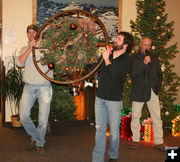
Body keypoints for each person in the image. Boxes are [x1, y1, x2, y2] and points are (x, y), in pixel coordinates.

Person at [92, 32, 134, 162]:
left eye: (119, 39)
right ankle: (97, 158)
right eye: (116, 38)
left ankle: (113, 155)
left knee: (114, 132)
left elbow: (115, 74)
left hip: (114, 101)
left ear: (126, 44)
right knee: (99, 129)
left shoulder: (127, 60)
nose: (115, 40)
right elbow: (95, 68)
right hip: (100, 98)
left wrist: (106, 59)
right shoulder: (108, 54)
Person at [15, 24, 53, 156]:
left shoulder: (47, 49)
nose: (31, 35)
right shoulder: (24, 48)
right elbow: (19, 63)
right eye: (29, 32)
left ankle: (40, 143)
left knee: (43, 119)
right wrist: (30, 48)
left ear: (38, 34)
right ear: (27, 35)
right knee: (23, 116)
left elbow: (55, 63)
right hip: (29, 87)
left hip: (45, 87)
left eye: (34, 32)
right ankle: (36, 137)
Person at [129, 37, 166, 151]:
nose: (147, 47)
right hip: (138, 90)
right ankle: (135, 140)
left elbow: (159, 74)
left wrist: (156, 87)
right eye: (145, 45)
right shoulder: (133, 58)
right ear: (140, 44)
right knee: (135, 116)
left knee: (157, 117)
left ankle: (159, 142)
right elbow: (133, 74)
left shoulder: (154, 58)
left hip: (152, 91)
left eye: (149, 45)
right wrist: (144, 63)